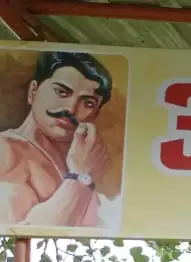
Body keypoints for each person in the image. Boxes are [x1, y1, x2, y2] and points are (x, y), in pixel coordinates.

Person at [0, 51, 113, 228]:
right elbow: (26, 231)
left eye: (88, 103)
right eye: (61, 92)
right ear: (33, 91)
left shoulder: (82, 161)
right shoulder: (5, 150)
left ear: (95, 114)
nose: (71, 108)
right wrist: (79, 178)